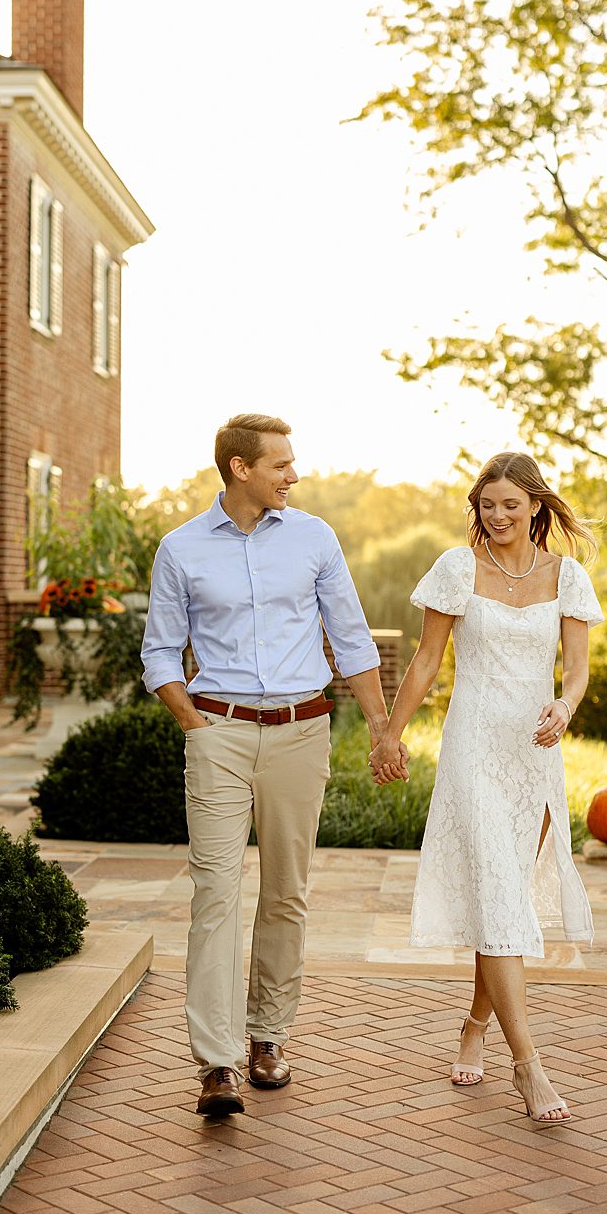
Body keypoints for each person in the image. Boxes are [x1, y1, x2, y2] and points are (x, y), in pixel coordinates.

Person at [142, 413, 401, 1120]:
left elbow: (351, 639)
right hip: (218, 731)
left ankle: (267, 1036)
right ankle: (217, 1062)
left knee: (286, 893)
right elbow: (160, 653)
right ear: (239, 469)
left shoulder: (314, 538)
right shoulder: (182, 548)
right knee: (215, 895)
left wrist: (382, 728)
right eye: (282, 464)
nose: (295, 474)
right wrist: (195, 728)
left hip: (299, 733)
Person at [381, 451, 603, 1122]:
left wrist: (565, 707)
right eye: (488, 504)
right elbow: (425, 661)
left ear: (537, 505)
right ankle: (529, 1069)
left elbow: (577, 671)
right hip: (474, 747)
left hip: (534, 755)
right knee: (500, 893)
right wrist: (390, 735)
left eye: (512, 504)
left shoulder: (568, 578)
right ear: (476, 508)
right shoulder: (457, 569)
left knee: (503, 899)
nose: (498, 516)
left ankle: (475, 1027)